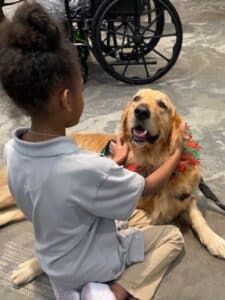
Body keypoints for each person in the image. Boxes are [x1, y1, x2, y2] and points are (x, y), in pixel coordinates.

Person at [0, 3, 184, 300]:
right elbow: (147, 189)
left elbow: (61, 195)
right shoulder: (89, 168)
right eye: (82, 90)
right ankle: (110, 293)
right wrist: (176, 155)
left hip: (54, 263)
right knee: (171, 237)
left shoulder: (12, 151)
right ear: (66, 99)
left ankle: (68, 291)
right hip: (96, 262)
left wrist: (114, 162)